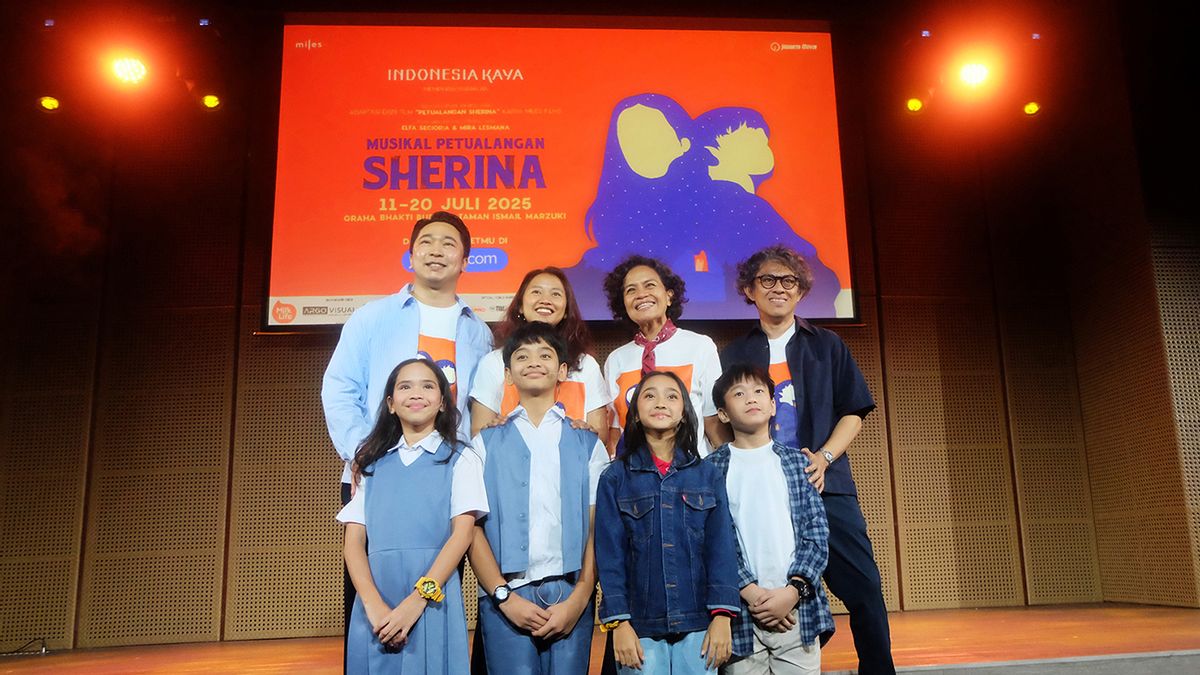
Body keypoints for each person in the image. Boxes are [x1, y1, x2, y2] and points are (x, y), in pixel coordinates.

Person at [720, 245, 894, 674]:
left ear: (800, 291)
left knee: (864, 589)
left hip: (824, 484)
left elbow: (853, 411)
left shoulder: (827, 345)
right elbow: (719, 419)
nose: (779, 288)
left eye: (789, 281)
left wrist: (825, 457)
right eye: (767, 280)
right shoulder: (734, 354)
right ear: (749, 290)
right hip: (758, 492)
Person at [322, 211, 493, 633]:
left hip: (445, 477)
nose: (436, 250)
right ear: (411, 254)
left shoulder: (479, 332)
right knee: (371, 605)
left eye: (449, 243)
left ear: (464, 260)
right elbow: (339, 388)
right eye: (426, 242)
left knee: (437, 604)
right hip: (376, 472)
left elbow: (477, 409)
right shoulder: (372, 317)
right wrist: (365, 454)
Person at [467, 322, 609, 675]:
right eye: (522, 356)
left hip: (570, 595)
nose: (534, 362)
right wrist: (503, 597)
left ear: (562, 371)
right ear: (507, 374)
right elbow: (471, 529)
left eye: (545, 355)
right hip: (506, 597)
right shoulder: (484, 444)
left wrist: (580, 598)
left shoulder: (588, 443)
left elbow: (598, 529)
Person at [337, 358, 487, 673]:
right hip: (375, 600)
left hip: (433, 597)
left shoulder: (461, 459)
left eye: (427, 386)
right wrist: (373, 606)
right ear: (391, 404)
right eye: (405, 386)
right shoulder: (370, 464)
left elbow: (462, 535)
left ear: (443, 402)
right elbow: (353, 542)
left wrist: (417, 601)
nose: (416, 393)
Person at [594, 371, 741, 675]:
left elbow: (722, 550)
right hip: (639, 626)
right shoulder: (615, 478)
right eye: (649, 395)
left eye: (671, 396)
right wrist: (618, 623)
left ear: (684, 414)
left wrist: (722, 616)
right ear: (635, 414)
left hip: (700, 623)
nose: (660, 402)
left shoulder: (708, 475)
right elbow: (610, 558)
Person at [707, 364, 835, 674]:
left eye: (759, 391)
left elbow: (816, 532)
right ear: (723, 414)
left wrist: (793, 591)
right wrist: (750, 592)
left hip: (796, 609)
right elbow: (712, 542)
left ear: (773, 404)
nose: (751, 398)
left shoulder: (798, 463)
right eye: (739, 394)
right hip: (741, 614)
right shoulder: (711, 470)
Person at [601, 255, 729, 456]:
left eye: (650, 285)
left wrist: (724, 467)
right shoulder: (616, 359)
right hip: (633, 471)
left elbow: (712, 421)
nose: (641, 294)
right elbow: (616, 430)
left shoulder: (700, 346)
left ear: (669, 296)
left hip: (690, 470)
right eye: (631, 290)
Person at [469, 266, 610, 442]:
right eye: (536, 292)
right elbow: (479, 433)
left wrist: (586, 434)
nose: (545, 300)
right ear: (520, 306)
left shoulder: (586, 365)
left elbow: (600, 436)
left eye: (555, 294)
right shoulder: (494, 362)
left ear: (566, 311)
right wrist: (495, 431)